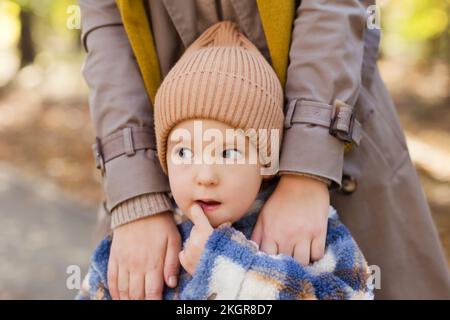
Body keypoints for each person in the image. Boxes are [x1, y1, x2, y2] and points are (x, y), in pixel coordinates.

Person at [78, 0, 450, 299]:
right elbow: (105, 24)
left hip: (332, 112)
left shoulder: (334, 246)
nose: (206, 175)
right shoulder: (118, 254)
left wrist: (306, 171)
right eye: (184, 152)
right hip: (147, 147)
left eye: (224, 154)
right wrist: (136, 194)